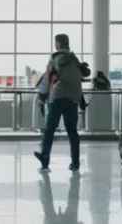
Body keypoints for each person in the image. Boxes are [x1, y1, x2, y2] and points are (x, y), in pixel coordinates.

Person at [34, 34, 89, 171]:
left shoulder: (55, 57)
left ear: (58, 44)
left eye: (55, 42)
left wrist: (42, 95)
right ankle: (75, 163)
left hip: (58, 96)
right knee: (72, 131)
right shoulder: (75, 60)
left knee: (50, 129)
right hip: (73, 98)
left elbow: (47, 78)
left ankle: (45, 159)